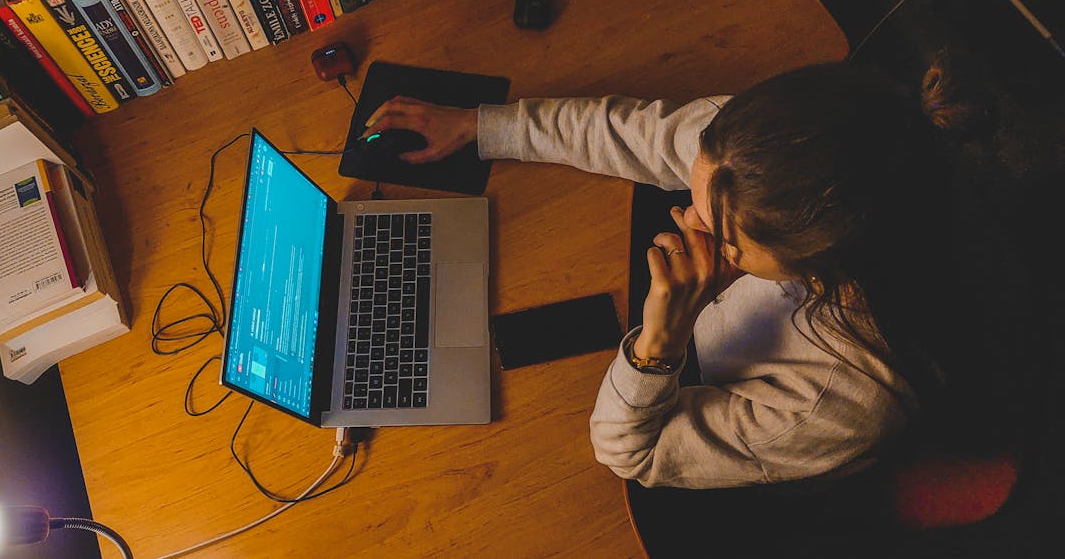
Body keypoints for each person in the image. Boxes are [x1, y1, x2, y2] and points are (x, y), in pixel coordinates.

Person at [360, 61, 1019, 491]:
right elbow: (635, 134)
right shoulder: (757, 158)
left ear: (814, 265)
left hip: (750, 448)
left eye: (724, 236)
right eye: (695, 192)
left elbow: (630, 453)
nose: (684, 216)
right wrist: (479, 126)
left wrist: (658, 345)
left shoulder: (841, 400)